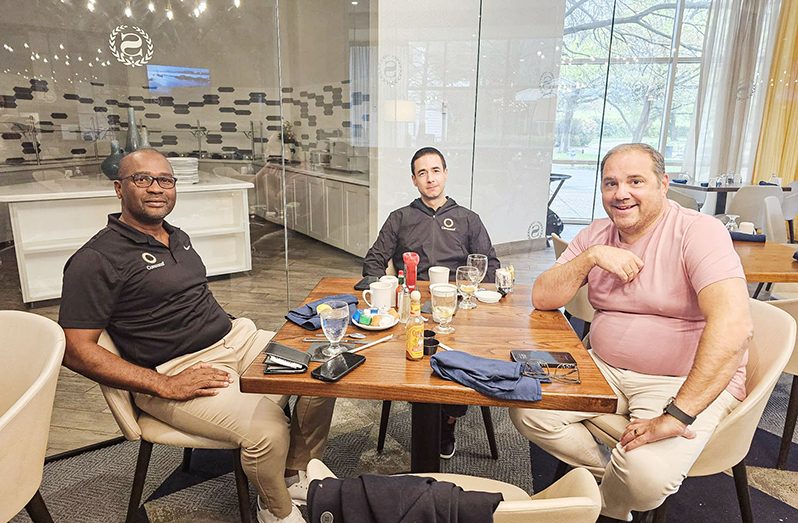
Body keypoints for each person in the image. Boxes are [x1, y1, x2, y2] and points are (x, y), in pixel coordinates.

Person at [58, 149, 334, 523]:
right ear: (119, 188)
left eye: (165, 180)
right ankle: (275, 509)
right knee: (268, 430)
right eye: (143, 179)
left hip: (236, 339)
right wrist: (161, 384)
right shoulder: (95, 259)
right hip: (176, 368)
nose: (157, 188)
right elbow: (74, 350)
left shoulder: (177, 236)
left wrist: (236, 332)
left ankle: (291, 473)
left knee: (326, 366)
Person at [510, 143, 752, 521]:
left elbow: (734, 326)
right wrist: (590, 258)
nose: (621, 193)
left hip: (681, 380)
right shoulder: (596, 234)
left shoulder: (698, 232)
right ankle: (609, 482)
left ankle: (597, 504)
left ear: (663, 184)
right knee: (527, 407)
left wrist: (677, 415)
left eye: (635, 181)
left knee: (645, 478)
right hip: (604, 367)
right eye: (611, 183)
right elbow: (543, 296)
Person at [362, 146, 501, 459]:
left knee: (462, 358)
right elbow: (374, 260)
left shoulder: (468, 219)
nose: (430, 178)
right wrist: (381, 295)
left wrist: (474, 293)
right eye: (422, 173)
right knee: (413, 357)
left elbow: (489, 265)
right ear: (414, 180)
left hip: (457, 306)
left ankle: (448, 420)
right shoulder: (400, 218)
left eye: (435, 170)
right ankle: (423, 410)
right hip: (411, 307)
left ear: (445, 174)